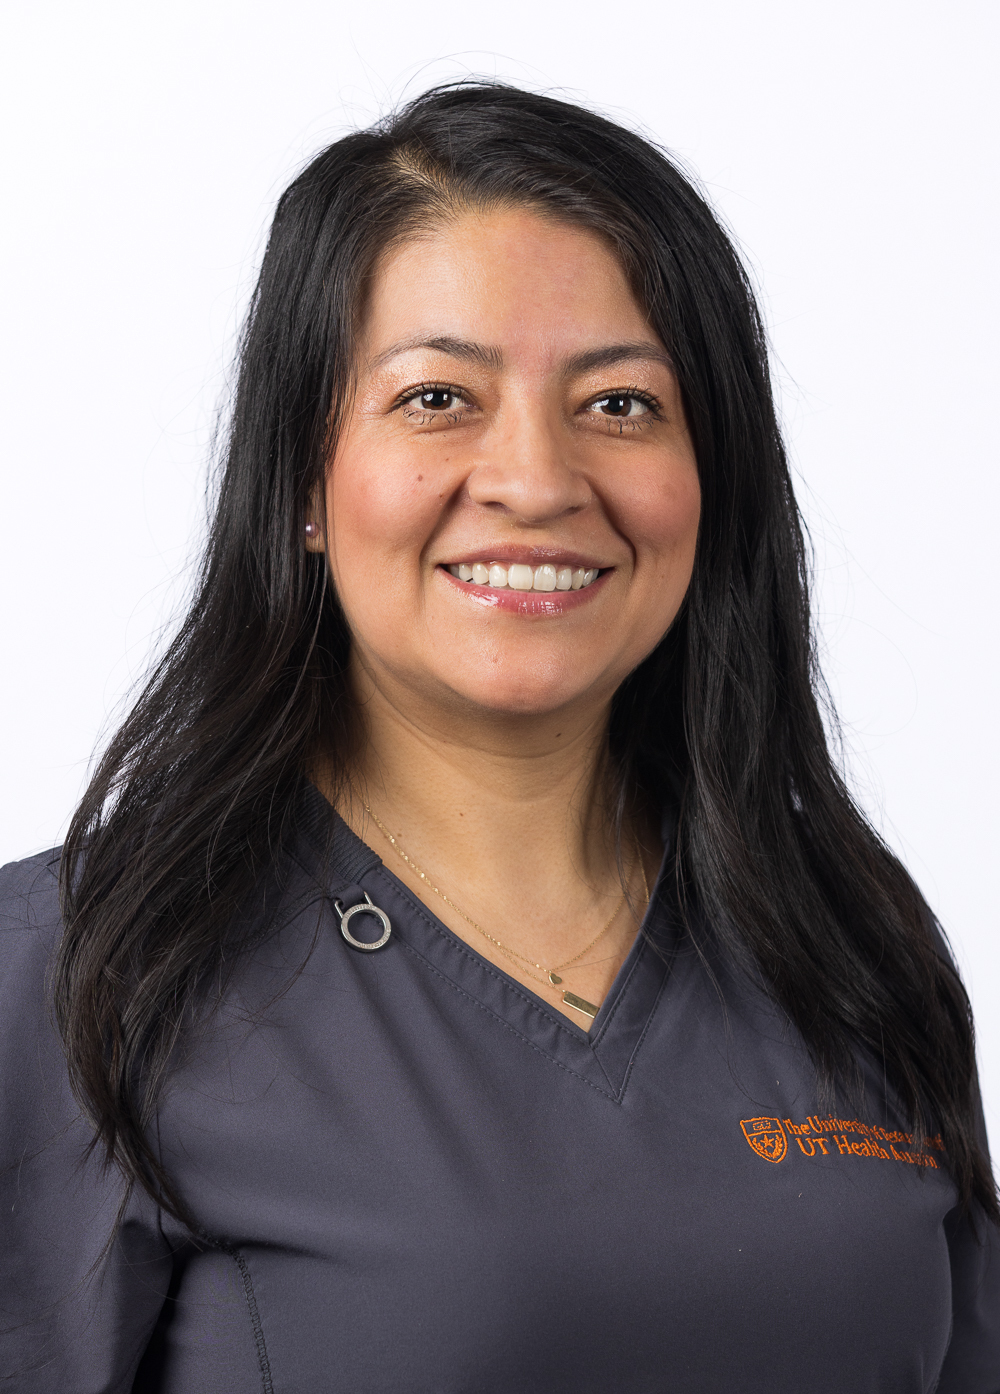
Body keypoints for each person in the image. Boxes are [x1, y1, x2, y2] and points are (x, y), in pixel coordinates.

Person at [1, 81, 997, 1393]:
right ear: (304, 482)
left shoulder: (847, 946)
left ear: (715, 478)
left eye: (622, 403)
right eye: (436, 398)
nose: (535, 480)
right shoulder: (78, 975)